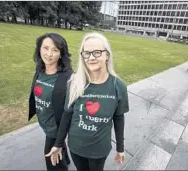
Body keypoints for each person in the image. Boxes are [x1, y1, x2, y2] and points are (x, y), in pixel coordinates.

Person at [45, 32, 130, 171]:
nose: (91, 58)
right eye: (86, 53)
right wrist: (58, 144)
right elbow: (67, 115)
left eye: (97, 52)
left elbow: (119, 117)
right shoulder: (75, 82)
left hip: (99, 150)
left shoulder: (118, 86)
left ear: (107, 55)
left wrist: (120, 148)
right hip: (76, 146)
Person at [28, 33, 73, 171]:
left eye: (55, 50)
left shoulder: (69, 77)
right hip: (45, 122)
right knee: (58, 150)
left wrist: (59, 139)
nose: (49, 54)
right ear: (39, 49)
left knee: (52, 160)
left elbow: (68, 111)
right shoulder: (40, 69)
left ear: (61, 53)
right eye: (45, 48)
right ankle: (65, 157)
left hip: (56, 128)